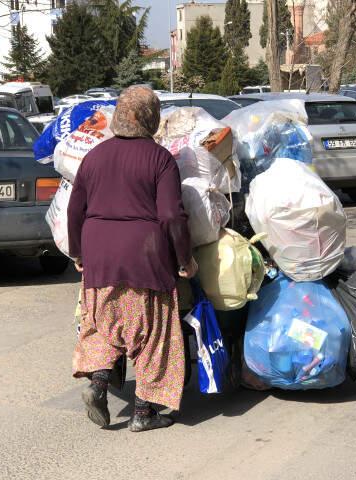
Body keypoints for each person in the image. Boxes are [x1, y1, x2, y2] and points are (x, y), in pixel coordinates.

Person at [67, 86, 198, 432]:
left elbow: (74, 209)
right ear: (151, 119)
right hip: (145, 257)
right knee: (152, 334)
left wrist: (78, 252)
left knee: (105, 325)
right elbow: (171, 215)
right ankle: (143, 412)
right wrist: (185, 259)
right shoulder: (159, 159)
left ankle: (97, 385)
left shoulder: (93, 157)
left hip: (99, 255)